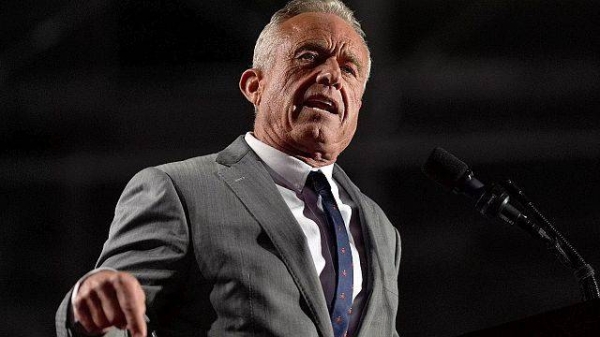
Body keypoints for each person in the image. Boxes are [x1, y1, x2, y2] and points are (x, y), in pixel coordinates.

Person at [56, 0, 401, 336]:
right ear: (255, 86)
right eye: (308, 57)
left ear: (357, 105)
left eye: (350, 69)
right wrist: (88, 310)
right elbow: (113, 315)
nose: (331, 76)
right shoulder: (178, 192)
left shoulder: (381, 228)